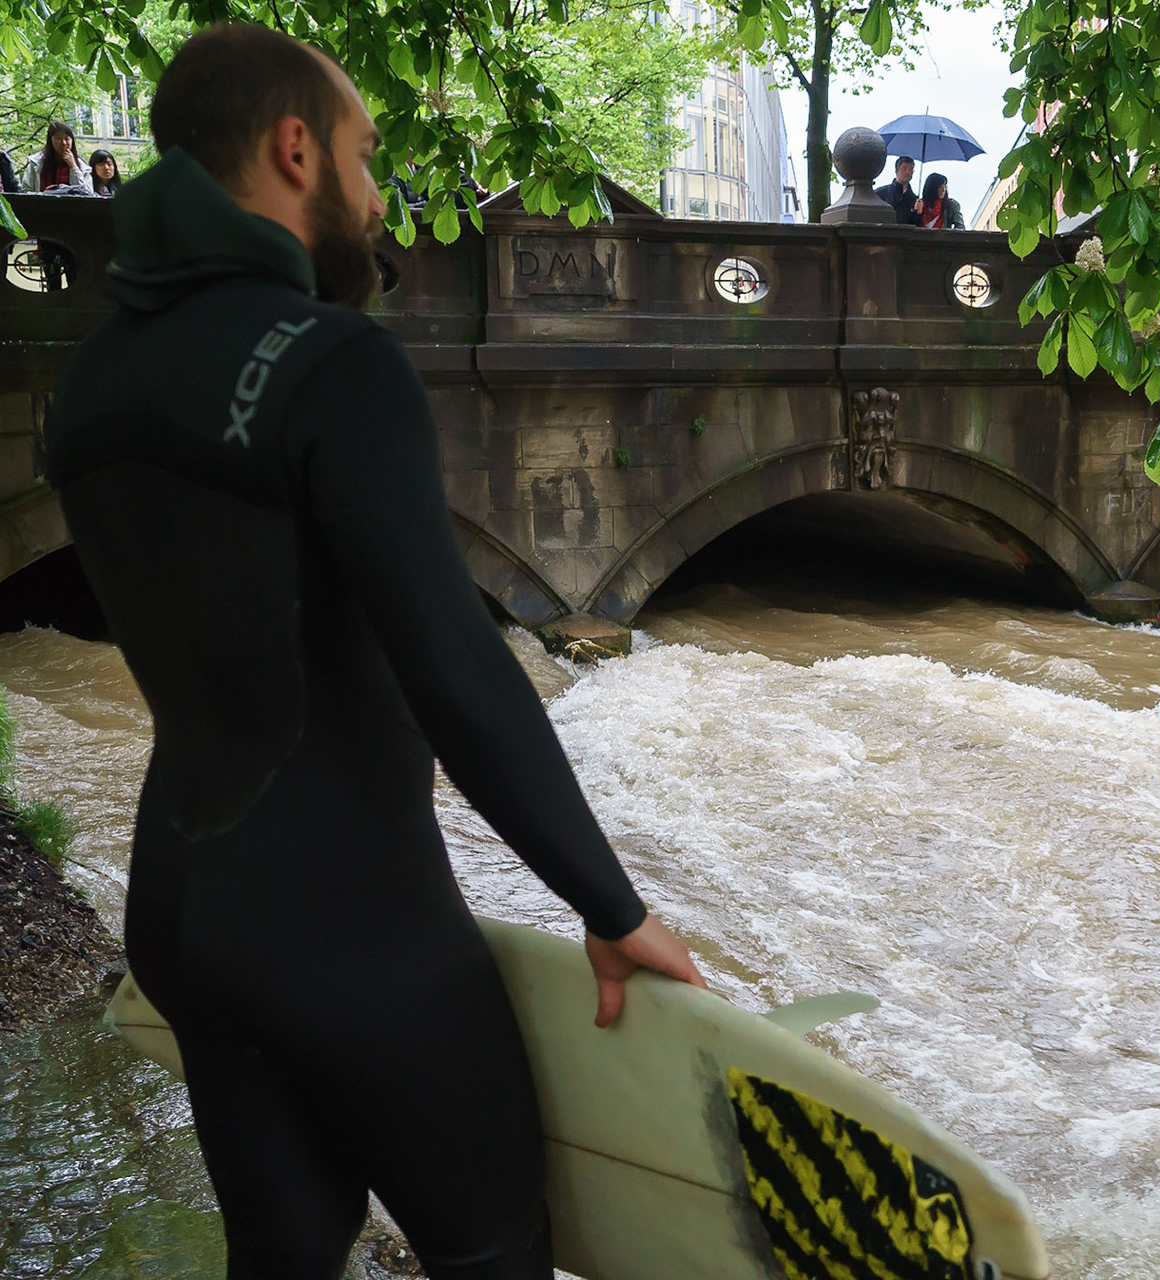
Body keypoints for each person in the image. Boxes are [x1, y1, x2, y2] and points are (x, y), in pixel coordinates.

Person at [45, 24, 709, 1278]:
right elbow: (455, 665)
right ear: (295, 150)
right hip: (347, 920)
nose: (375, 197)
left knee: (284, 1252)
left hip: (183, 910)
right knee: (491, 1250)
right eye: (364, 157)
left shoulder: (92, 382)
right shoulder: (332, 362)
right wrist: (610, 905)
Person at [22, 121, 85, 192]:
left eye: (67, 139)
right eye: (58, 138)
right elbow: (26, 190)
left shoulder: (83, 166)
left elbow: (84, 193)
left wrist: (73, 167)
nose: (64, 143)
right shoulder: (36, 162)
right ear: (50, 140)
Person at [881, 155, 917, 225]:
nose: (908, 172)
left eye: (910, 169)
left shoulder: (914, 199)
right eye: (904, 168)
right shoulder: (881, 193)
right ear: (897, 171)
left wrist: (917, 213)